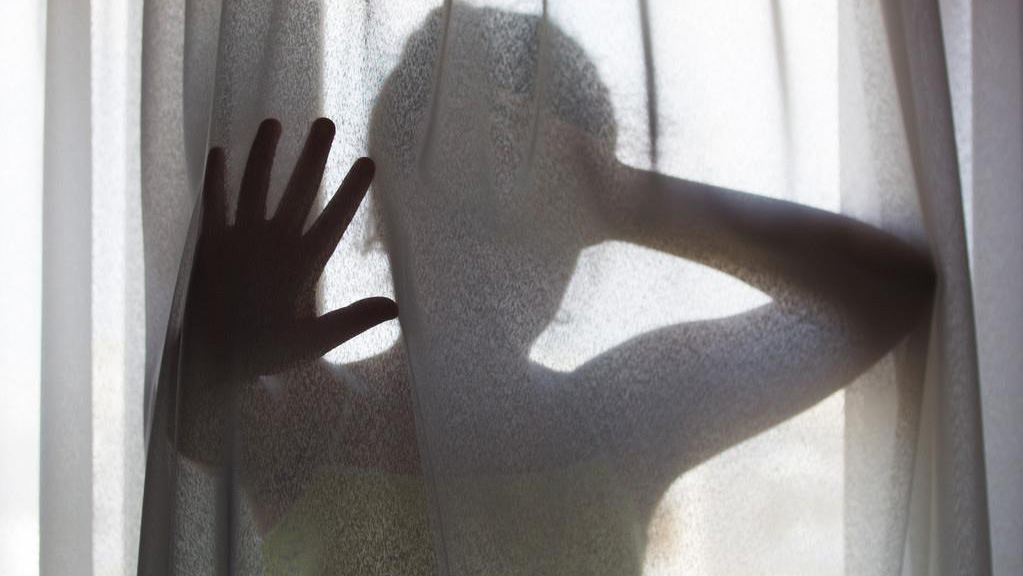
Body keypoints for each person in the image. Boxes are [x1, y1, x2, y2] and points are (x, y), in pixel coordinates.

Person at [175, 6, 934, 575]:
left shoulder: (623, 420)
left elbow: (892, 291)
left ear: (582, 231)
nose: (492, 244)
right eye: (459, 198)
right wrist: (210, 357)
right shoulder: (308, 419)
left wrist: (626, 198)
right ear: (390, 210)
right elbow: (190, 421)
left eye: (537, 209)